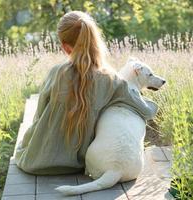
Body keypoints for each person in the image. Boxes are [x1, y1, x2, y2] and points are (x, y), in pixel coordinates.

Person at [14, 11, 158, 175]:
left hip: (35, 161)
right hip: (78, 164)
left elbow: (39, 116)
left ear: (65, 47)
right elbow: (146, 111)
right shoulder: (111, 79)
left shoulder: (56, 72)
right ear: (94, 41)